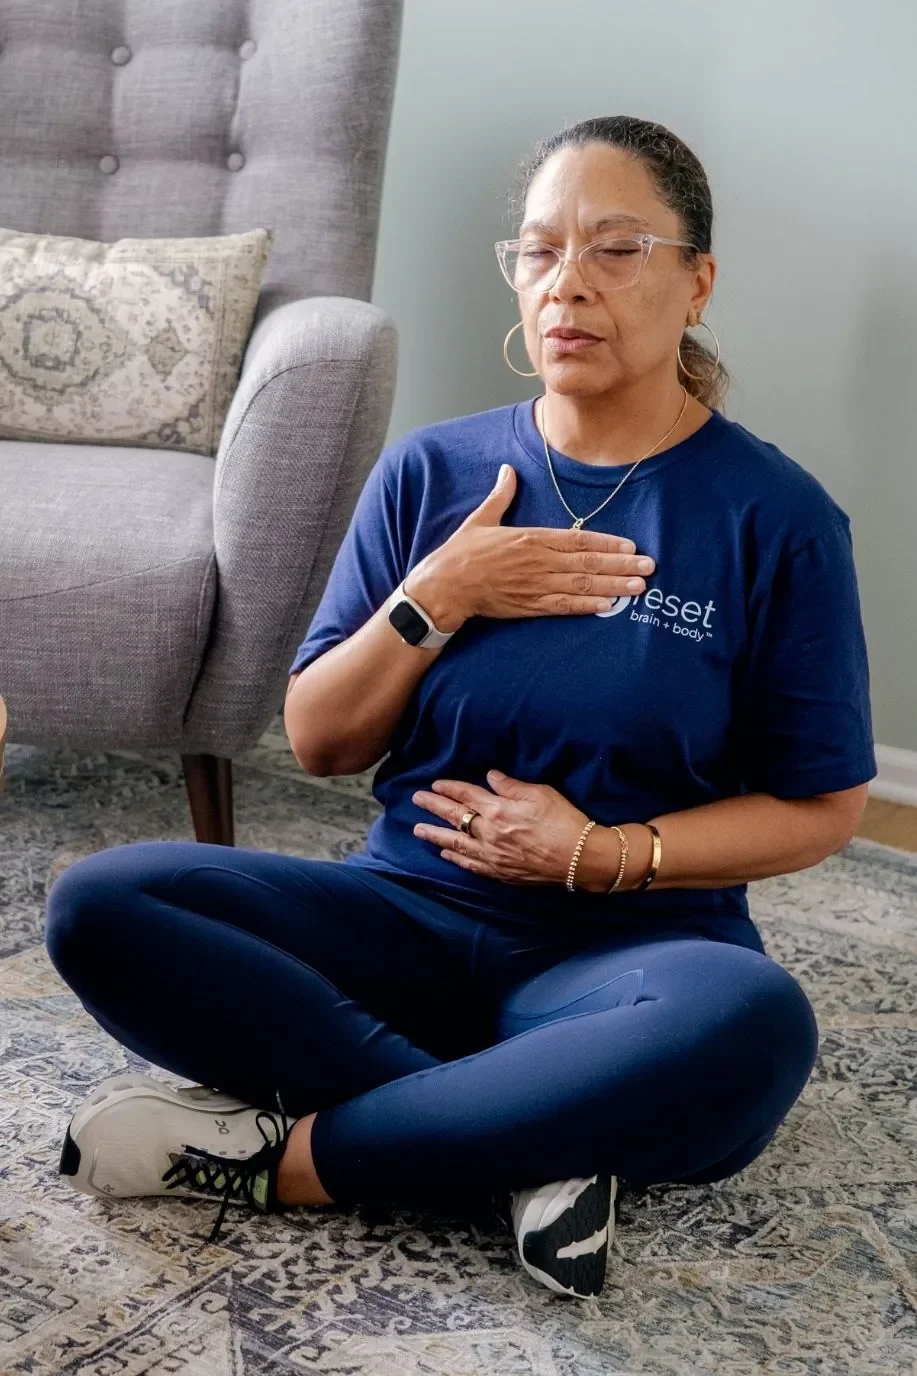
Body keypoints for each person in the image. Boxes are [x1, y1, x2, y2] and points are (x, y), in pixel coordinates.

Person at [45, 115, 875, 1301]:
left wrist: (596, 853)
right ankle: (526, 1138)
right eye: (537, 252)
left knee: (751, 1023)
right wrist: (438, 593)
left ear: (696, 279)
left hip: (625, 957)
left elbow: (819, 804)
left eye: (614, 248)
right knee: (105, 904)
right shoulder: (432, 474)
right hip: (402, 918)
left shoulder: (773, 518)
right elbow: (322, 741)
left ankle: (296, 1159)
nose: (566, 285)